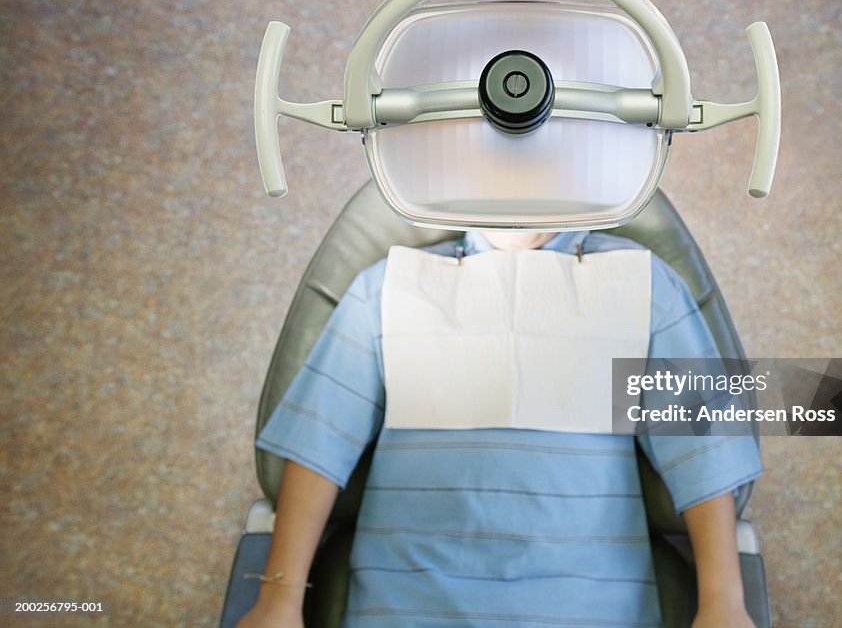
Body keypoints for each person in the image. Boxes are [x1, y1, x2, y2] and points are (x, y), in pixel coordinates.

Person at [238, 229, 762, 628]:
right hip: (408, 609)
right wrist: (278, 598)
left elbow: (706, 442)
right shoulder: (386, 288)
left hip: (586, 612)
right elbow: (319, 438)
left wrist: (722, 603)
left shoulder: (640, 285)